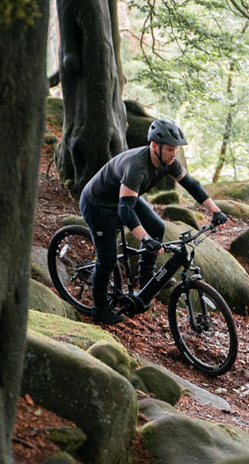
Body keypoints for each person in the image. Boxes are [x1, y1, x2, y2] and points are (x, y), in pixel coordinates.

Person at [80, 118, 228, 324]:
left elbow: (191, 184)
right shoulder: (137, 167)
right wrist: (145, 238)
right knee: (108, 259)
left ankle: (145, 276)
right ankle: (100, 309)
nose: (174, 154)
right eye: (169, 149)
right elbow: (125, 210)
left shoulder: (168, 162)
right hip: (98, 204)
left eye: (175, 149)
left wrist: (216, 211)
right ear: (155, 146)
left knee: (157, 226)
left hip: (125, 198)